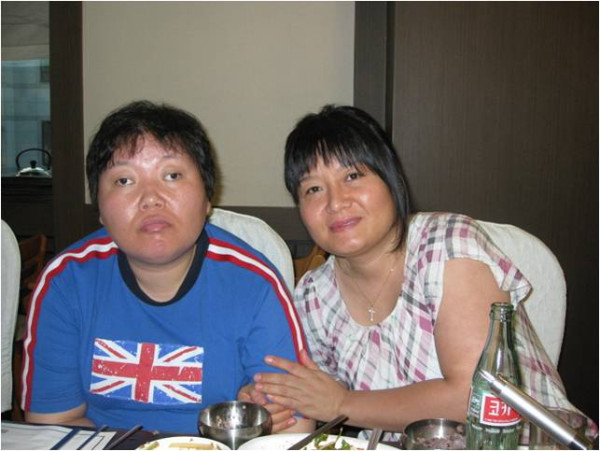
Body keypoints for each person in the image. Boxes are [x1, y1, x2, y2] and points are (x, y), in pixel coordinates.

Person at [249, 105, 597, 441]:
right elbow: (314, 398)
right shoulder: (313, 295)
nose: (336, 202)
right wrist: (272, 402)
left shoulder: (448, 244)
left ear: (391, 179)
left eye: (353, 176)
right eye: (313, 189)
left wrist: (342, 404)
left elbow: (476, 397)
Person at [21, 100, 313, 434]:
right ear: (99, 208)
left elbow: (295, 425)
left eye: (172, 175)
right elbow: (54, 426)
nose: (151, 198)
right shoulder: (66, 282)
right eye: (124, 180)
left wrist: (259, 418)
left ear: (208, 198)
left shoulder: (255, 283)